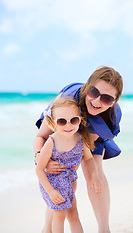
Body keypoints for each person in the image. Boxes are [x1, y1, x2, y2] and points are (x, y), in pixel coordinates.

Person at [33, 66, 123, 233]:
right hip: (67, 119)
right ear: (86, 86)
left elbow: (87, 151)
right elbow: (41, 137)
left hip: (90, 135)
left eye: (106, 99)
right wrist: (42, 159)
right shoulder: (66, 104)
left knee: (94, 174)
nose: (97, 101)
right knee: (56, 175)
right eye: (94, 92)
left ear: (114, 101)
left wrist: (92, 174)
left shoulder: (110, 116)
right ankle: (47, 229)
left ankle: (104, 229)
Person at [35, 97, 101, 233]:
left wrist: (94, 175)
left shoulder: (81, 139)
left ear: (80, 119)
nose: (68, 125)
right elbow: (39, 169)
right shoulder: (51, 142)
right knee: (59, 215)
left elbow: (88, 159)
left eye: (74, 120)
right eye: (62, 121)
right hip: (52, 183)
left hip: (69, 182)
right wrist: (51, 191)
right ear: (53, 123)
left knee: (73, 214)